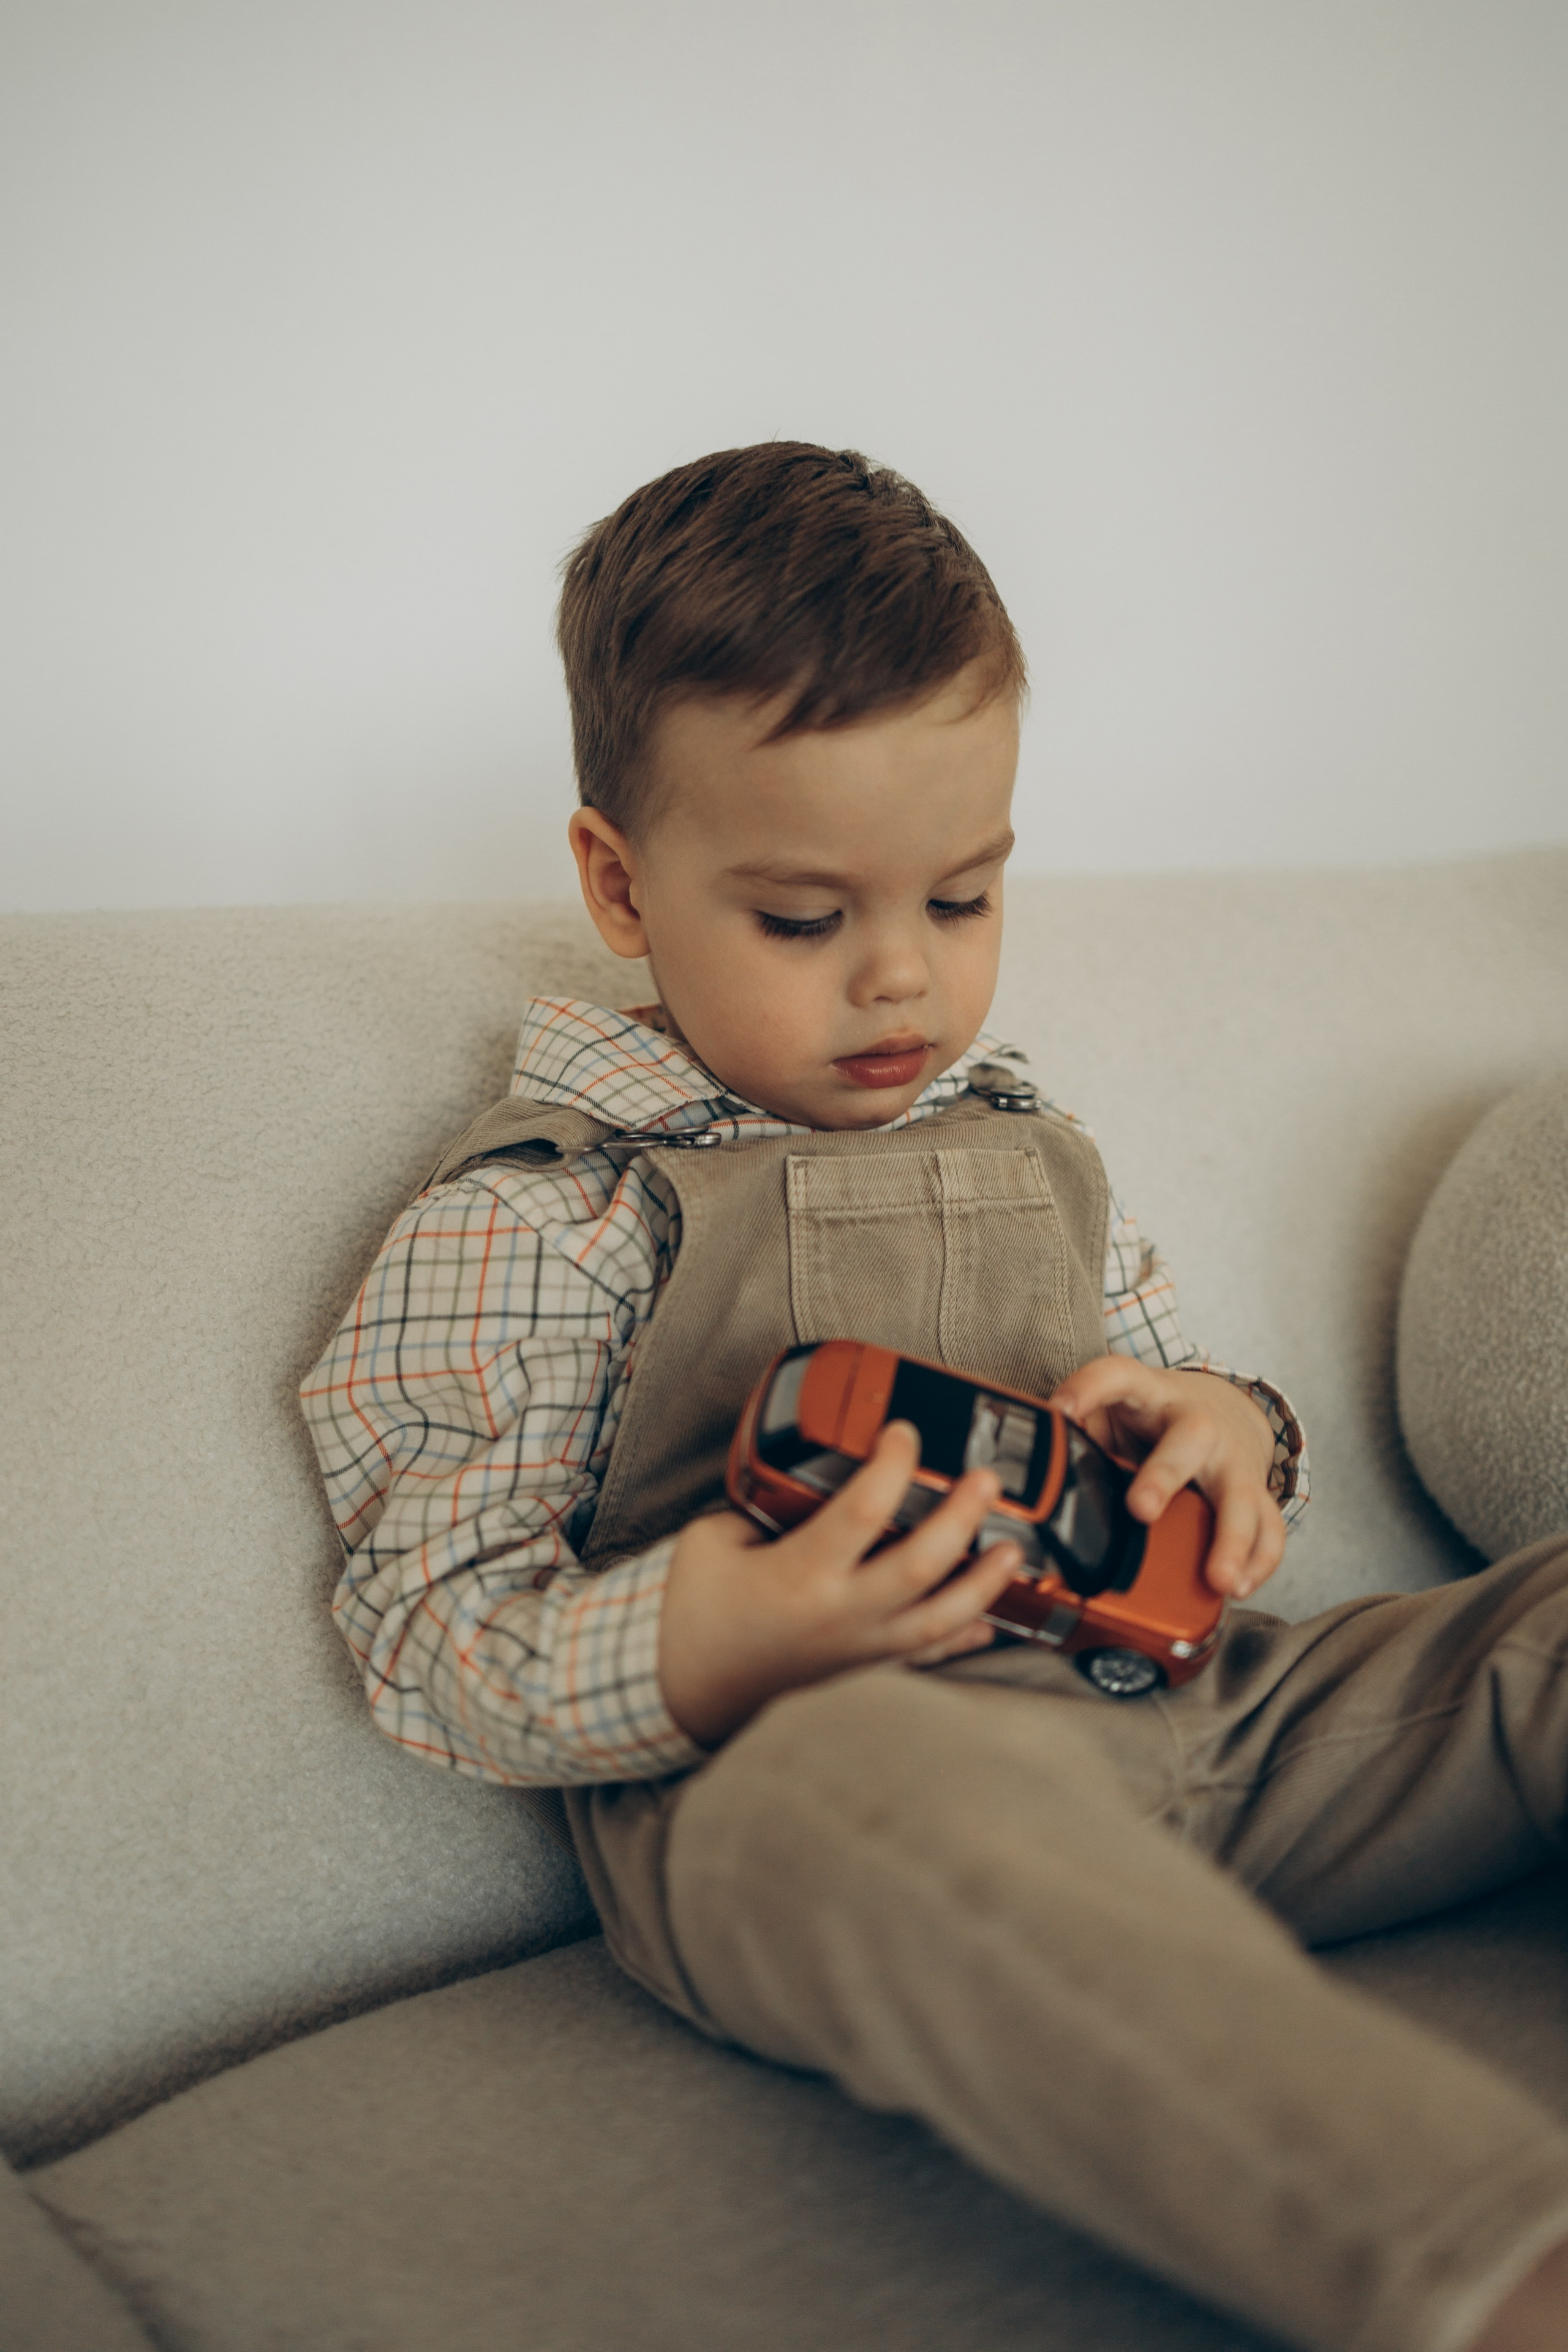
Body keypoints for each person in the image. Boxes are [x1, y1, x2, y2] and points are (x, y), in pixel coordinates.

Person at [300, 443, 1568, 2352]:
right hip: (824, 1786)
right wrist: (702, 1633)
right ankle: (1489, 2273)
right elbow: (421, 1637)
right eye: (804, 922)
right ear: (619, 884)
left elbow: (1170, 1388)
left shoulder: (1026, 1137)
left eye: (964, 898)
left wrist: (1237, 1432)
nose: (901, 979)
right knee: (861, 1789)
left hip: (1200, 1722)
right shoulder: (551, 1215)